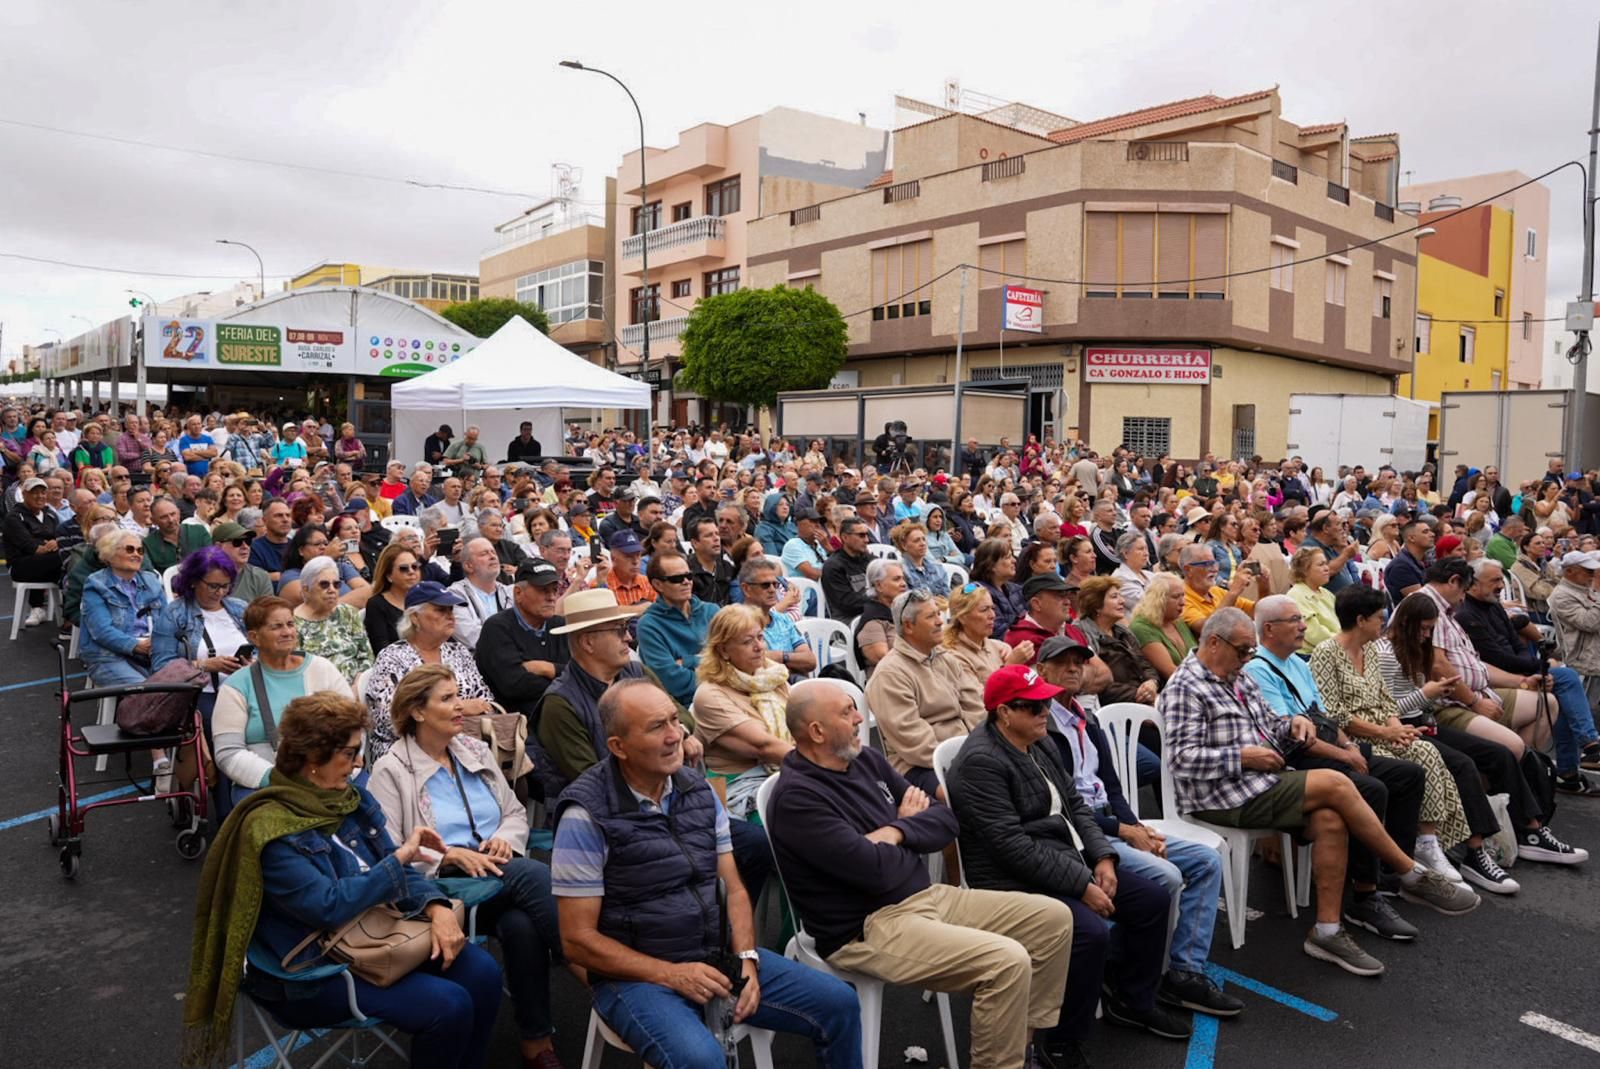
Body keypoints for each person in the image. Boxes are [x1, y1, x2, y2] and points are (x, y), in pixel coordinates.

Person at [551, 678, 861, 1069]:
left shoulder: (695, 791)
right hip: (634, 976)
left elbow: (733, 888)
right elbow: (577, 941)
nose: (674, 736)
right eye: (655, 727)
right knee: (700, 1060)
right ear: (618, 747)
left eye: (673, 721)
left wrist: (746, 957)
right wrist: (671, 973)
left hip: (712, 957)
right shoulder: (586, 814)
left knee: (839, 1003)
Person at [183, 693, 500, 1069]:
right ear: (313, 759)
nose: (359, 762)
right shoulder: (269, 828)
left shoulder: (349, 800)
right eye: (349, 754)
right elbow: (326, 905)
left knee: (483, 973)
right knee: (449, 1006)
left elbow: (396, 870)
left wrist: (438, 908)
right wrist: (399, 860)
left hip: (374, 936)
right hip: (313, 970)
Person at [769, 678, 1072, 1069]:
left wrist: (896, 830)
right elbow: (873, 871)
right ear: (816, 731)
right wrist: (907, 833)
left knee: (1052, 918)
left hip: (924, 897)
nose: (861, 717)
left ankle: (1021, 1047)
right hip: (868, 925)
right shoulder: (798, 798)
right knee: (1007, 960)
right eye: (847, 712)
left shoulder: (865, 760)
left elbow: (946, 821)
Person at [1160, 608, 1479, 978]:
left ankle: (1327, 931)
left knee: (1330, 818)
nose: (1247, 658)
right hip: (1220, 797)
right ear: (1213, 643)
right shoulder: (1186, 687)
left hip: (1258, 784)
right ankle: (1408, 871)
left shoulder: (1237, 678)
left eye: (1250, 651)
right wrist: (1243, 757)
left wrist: (1291, 722)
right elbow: (1182, 760)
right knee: (1336, 782)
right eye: (1243, 650)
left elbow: (1270, 725)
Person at [949, 658, 1191, 1052]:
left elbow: (1076, 804)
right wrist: (1082, 886)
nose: (1046, 711)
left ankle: (1132, 1000)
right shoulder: (981, 763)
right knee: (1088, 932)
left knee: (1151, 899)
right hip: (1009, 881)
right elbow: (1011, 848)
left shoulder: (1037, 740)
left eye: (1045, 702)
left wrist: (1103, 858)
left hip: (1062, 858)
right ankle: (1062, 1043)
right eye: (1034, 706)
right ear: (1004, 713)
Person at [369, 665, 564, 1069]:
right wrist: (449, 856)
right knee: (531, 876)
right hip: (440, 885)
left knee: (521, 925)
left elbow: (513, 812)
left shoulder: (473, 750)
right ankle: (592, 965)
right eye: (447, 699)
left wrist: (503, 839)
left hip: (496, 873)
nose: (461, 706)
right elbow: (389, 853)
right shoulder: (391, 769)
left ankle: (536, 1042)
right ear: (418, 712)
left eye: (458, 696)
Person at [1031, 641, 1239, 1019]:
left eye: (1079, 662)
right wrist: (1123, 830)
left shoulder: (1085, 719)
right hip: (1082, 833)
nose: (1074, 668)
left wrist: (1134, 824)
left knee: (1206, 860)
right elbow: (1065, 808)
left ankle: (1184, 972)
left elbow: (1112, 786)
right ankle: (1125, 969)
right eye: (1062, 663)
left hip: (1111, 823)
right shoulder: (1040, 727)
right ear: (1041, 671)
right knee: (1165, 876)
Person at [1244, 594, 1430, 937]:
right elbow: (1291, 736)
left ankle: (1393, 874)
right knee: (1371, 788)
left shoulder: (1299, 663)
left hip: (1330, 746)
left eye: (1302, 618)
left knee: (1408, 775)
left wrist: (1348, 744)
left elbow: (1325, 717)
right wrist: (1345, 755)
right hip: (1299, 758)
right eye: (1294, 620)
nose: (1303, 626)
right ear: (1269, 629)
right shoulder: (1257, 669)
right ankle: (1365, 896)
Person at [1378, 592, 1586, 878]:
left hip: (1427, 721)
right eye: (1423, 629)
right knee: (1466, 763)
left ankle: (1531, 829)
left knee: (1499, 753)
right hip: (1409, 727)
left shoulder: (1419, 650)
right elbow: (1386, 709)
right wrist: (1429, 695)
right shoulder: (1385, 655)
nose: (1427, 636)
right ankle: (1475, 850)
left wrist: (1435, 695)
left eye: (1430, 630)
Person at [1310, 586, 1480, 884]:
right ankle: (1402, 855)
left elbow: (1385, 700)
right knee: (1411, 766)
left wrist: (1397, 728)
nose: (1384, 622)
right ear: (1361, 620)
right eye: (1379, 617)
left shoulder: (1371, 651)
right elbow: (1334, 714)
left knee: (1425, 749)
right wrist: (1386, 731)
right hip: (1354, 737)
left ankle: (1427, 842)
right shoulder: (1327, 653)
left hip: (1382, 730)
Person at [1454, 558, 1600, 791]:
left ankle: (1570, 768)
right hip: (1496, 677)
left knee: (1564, 689)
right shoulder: (1466, 615)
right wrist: (1533, 668)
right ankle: (1582, 751)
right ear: (1473, 584)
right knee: (1567, 680)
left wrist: (1533, 664)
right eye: (1494, 580)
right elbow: (1493, 658)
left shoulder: (1493, 605)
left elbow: (1516, 643)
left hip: (1522, 669)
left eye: (1501, 579)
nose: (1501, 585)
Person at [213, 598, 354, 804]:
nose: (287, 632)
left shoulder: (322, 669)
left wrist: (332, 769)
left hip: (329, 774)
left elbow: (352, 726)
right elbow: (228, 753)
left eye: (290, 624)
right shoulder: (236, 687)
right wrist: (277, 779)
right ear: (254, 637)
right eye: (277, 627)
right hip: (266, 784)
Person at [866, 589, 984, 796]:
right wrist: (968, 760)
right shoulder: (889, 674)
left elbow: (976, 706)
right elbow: (914, 742)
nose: (940, 621)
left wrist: (985, 749)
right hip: (921, 766)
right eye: (931, 616)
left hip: (969, 752)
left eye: (939, 613)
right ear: (909, 626)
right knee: (974, 794)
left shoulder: (945, 658)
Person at [364, 582, 497, 761]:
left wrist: (436, 711)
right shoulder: (392, 657)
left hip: (464, 743)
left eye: (451, 610)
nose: (450, 616)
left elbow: (486, 703)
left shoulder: (458, 652)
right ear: (415, 618)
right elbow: (389, 720)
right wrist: (461, 707)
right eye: (441, 611)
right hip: (406, 752)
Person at [690, 603, 794, 816]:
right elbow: (764, 747)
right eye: (748, 641)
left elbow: (802, 721)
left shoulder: (772, 676)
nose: (759, 647)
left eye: (760, 637)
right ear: (723, 650)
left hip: (788, 769)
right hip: (741, 785)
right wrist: (822, 768)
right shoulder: (710, 694)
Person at [152, 546, 249, 728]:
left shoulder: (240, 608)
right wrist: (204, 666)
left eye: (225, 586)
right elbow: (161, 667)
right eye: (213, 586)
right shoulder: (174, 614)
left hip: (245, 688)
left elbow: (260, 648)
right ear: (194, 581)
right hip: (201, 693)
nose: (220, 593)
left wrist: (254, 663)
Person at [475, 559, 569, 719]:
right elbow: (514, 685)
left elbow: (583, 671)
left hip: (563, 713)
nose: (552, 597)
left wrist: (548, 669)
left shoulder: (560, 625)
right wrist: (565, 678)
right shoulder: (497, 628)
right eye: (544, 590)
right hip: (520, 725)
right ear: (518, 593)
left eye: (554, 590)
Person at [79, 528, 166, 686]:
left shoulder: (151, 581)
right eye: (130, 549)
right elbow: (101, 631)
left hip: (151, 653)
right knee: (147, 691)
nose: (137, 554)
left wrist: (160, 642)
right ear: (110, 554)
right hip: (109, 656)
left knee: (187, 682)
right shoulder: (97, 584)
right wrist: (136, 646)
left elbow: (167, 621)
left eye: (140, 550)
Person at [636, 552, 720, 707]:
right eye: (677, 579)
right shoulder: (649, 626)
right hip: (690, 706)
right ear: (658, 585)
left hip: (730, 694)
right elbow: (672, 681)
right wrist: (719, 672)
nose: (686, 582)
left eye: (689, 575)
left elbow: (735, 658)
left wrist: (689, 661)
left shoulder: (712, 611)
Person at [1074, 577, 1159, 705]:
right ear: (1096, 605)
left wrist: (1152, 683)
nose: (1122, 601)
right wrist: (1139, 694)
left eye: (1121, 596)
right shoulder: (1082, 636)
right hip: (1117, 707)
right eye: (1114, 597)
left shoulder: (1123, 632)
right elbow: (1098, 683)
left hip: (1145, 698)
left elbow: (1145, 664)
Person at [291, 555, 376, 682]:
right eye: (324, 584)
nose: (332, 590)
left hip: (358, 689)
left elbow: (366, 657)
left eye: (336, 584)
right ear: (306, 589)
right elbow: (299, 672)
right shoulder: (292, 624)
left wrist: (357, 686)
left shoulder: (348, 612)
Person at [739, 557, 816, 677]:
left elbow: (810, 661)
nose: (772, 590)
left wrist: (779, 656)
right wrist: (794, 661)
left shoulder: (783, 619)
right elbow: (755, 668)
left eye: (775, 584)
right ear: (746, 589)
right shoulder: (739, 624)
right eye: (765, 585)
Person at [3, 476, 63, 626]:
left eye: (43, 492)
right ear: (24, 494)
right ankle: (61, 612)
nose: (40, 496)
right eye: (35, 492)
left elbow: (61, 537)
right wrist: (49, 545)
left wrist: (56, 543)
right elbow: (32, 548)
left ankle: (63, 611)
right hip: (20, 566)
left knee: (69, 558)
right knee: (60, 558)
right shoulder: (14, 517)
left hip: (47, 562)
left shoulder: (50, 514)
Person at [1128, 573, 1196, 684]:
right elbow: (1170, 672)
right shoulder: (1141, 627)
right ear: (1158, 599)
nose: (1183, 602)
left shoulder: (1178, 620)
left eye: (1183, 595)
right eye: (1175, 597)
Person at [447, 537, 513, 649]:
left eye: (493, 552)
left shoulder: (510, 592)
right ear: (468, 566)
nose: (492, 557)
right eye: (484, 554)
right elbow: (470, 637)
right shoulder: (454, 594)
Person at [1178, 542, 1259, 632]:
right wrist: (1233, 592)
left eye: (1214, 563)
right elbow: (1208, 629)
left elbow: (1256, 612)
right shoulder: (1181, 597)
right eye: (1207, 564)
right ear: (1188, 570)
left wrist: (1264, 585)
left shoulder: (1215, 591)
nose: (1215, 569)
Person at [365, 542, 424, 655]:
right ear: (389, 576)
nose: (411, 572)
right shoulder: (376, 604)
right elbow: (382, 650)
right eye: (403, 568)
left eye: (415, 566)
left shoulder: (427, 598)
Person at [853, 558, 905, 672]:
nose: (903, 584)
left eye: (903, 579)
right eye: (897, 579)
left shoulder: (903, 612)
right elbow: (885, 660)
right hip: (891, 682)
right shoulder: (872, 622)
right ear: (879, 586)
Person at [1286, 545, 1339, 655]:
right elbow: (1314, 634)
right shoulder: (1296, 595)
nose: (1327, 568)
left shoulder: (1326, 593)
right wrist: (1346, 642)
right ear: (1304, 570)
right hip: (1312, 656)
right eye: (1321, 564)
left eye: (1326, 563)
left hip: (1336, 648)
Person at [973, 537, 1028, 640]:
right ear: (991, 565)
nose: (1014, 561)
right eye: (1008, 557)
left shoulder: (1016, 589)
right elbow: (999, 633)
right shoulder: (980, 595)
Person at [820, 516, 873, 622]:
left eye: (867, 535)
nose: (867, 540)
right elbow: (847, 604)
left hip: (872, 613)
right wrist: (880, 599)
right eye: (861, 535)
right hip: (849, 621)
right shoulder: (833, 566)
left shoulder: (870, 560)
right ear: (845, 537)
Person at [213, 520, 275, 604]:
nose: (245, 546)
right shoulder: (203, 576)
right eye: (237, 542)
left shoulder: (260, 577)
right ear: (218, 547)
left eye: (248, 541)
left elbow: (267, 613)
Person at [685, 516, 737, 607]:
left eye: (717, 534)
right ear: (695, 543)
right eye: (709, 535)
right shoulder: (685, 572)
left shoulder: (728, 569)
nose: (716, 538)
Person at [893, 520, 949, 597]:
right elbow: (908, 602)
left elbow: (947, 596)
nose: (923, 543)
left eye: (924, 539)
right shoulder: (900, 571)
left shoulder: (938, 568)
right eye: (916, 541)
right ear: (904, 546)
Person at [1383, 520, 1434, 604]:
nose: (1432, 534)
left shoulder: (1421, 561)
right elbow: (1422, 603)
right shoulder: (1401, 567)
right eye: (1425, 532)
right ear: (1411, 538)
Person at [248, 500, 294, 583]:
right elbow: (255, 579)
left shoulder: (297, 546)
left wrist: (275, 576)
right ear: (265, 520)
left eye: (288, 515)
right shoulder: (254, 549)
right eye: (278, 515)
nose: (285, 519)